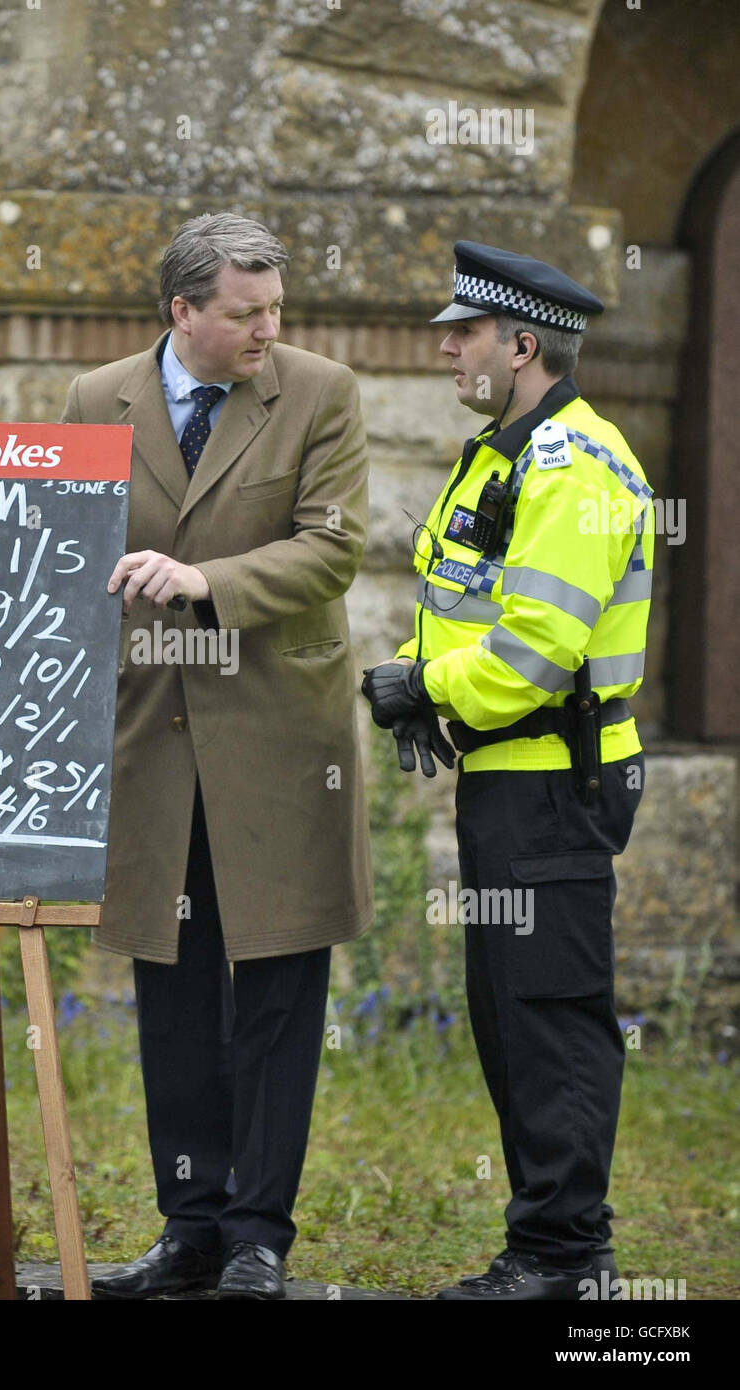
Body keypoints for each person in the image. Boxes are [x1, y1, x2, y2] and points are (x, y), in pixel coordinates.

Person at [61, 212, 373, 1300]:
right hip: (152, 741)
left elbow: (333, 547)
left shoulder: (318, 390)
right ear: (180, 310)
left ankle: (258, 1237)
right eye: (244, 313)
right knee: (175, 987)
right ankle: (189, 1224)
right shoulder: (93, 400)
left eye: (274, 308)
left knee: (280, 982)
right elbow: (71, 557)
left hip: (281, 742)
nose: (266, 329)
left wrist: (207, 585)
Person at [364, 241, 653, 1301]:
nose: (445, 347)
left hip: (551, 781)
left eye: (464, 332)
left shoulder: (571, 469)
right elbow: (465, 610)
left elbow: (535, 652)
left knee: (549, 1014)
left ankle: (566, 1263)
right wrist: (411, 670)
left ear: (519, 343)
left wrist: (424, 691)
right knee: (507, 1013)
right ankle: (547, 1246)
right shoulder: (498, 453)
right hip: (507, 777)